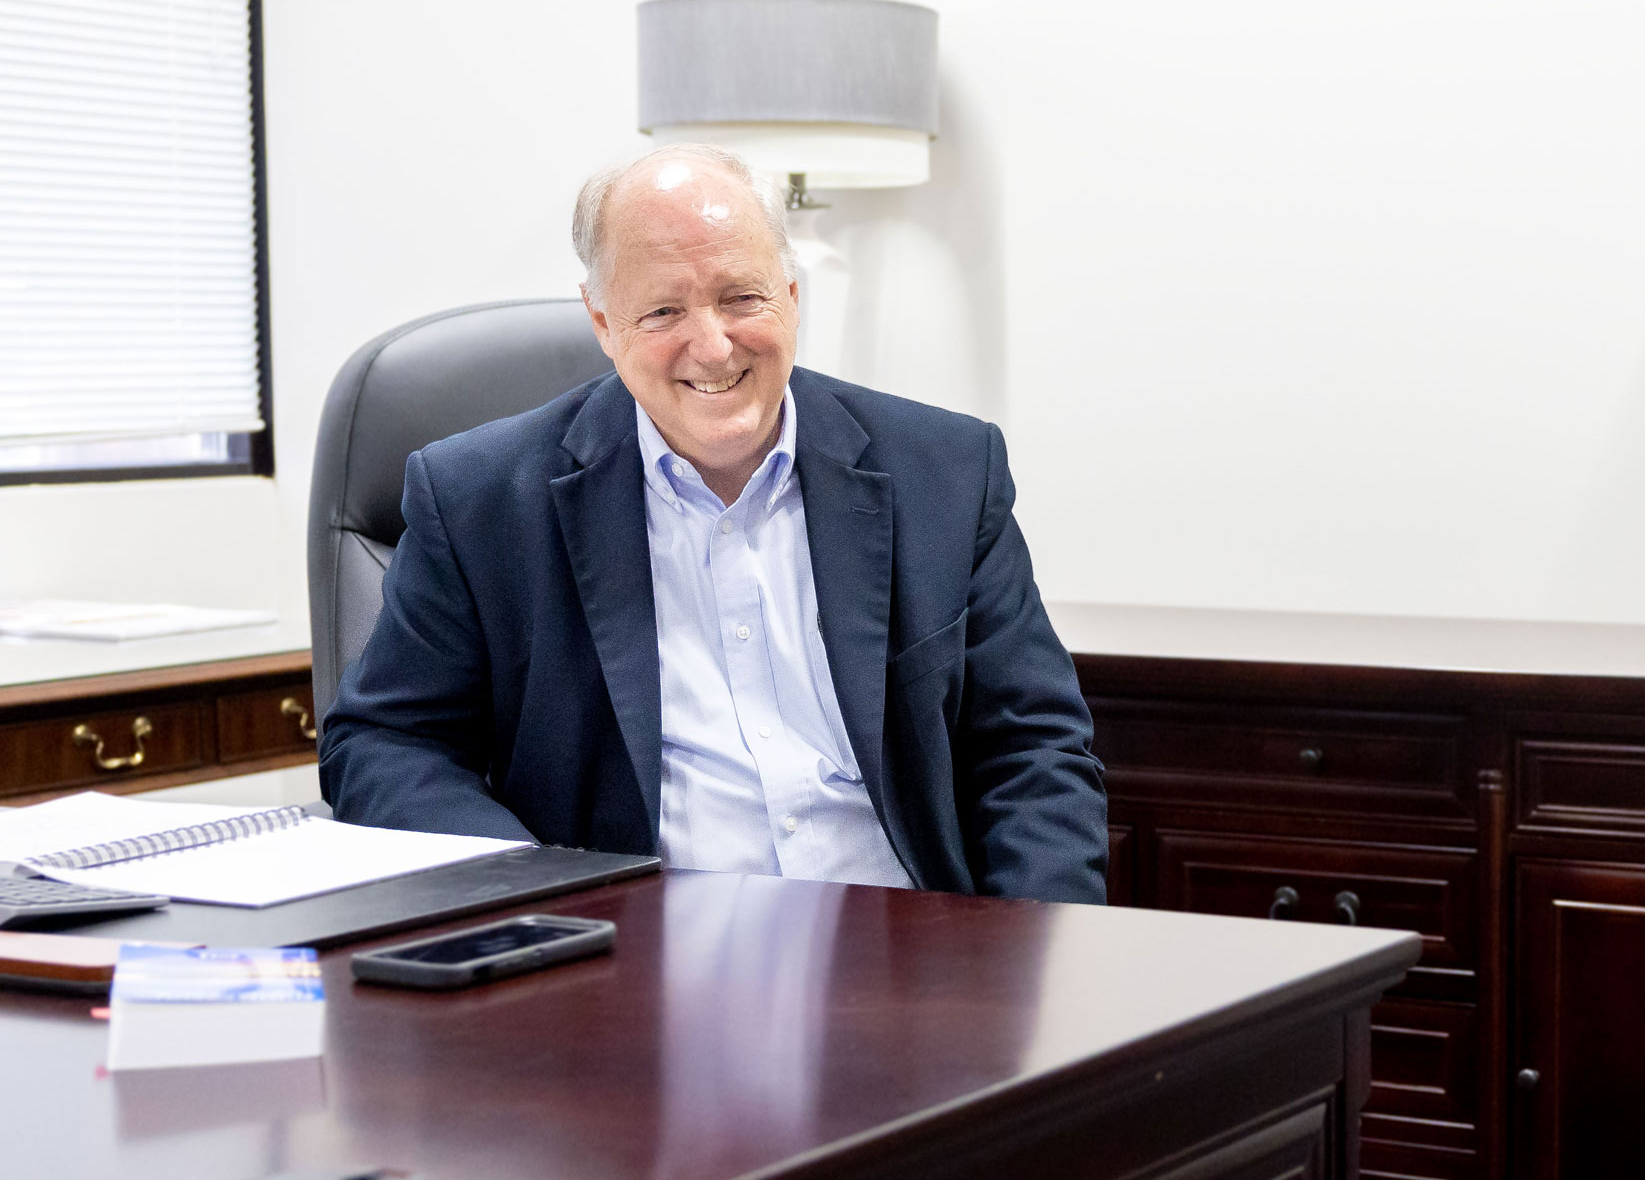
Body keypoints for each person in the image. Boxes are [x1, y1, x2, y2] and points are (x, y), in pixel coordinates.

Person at [319, 145, 1107, 903]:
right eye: (663, 309)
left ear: (792, 295)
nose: (712, 344)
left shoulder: (945, 471)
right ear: (601, 321)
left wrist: (1025, 957)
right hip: (633, 973)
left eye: (741, 296)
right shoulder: (479, 499)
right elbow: (384, 743)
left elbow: (1031, 745)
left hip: (909, 957)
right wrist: (532, 894)